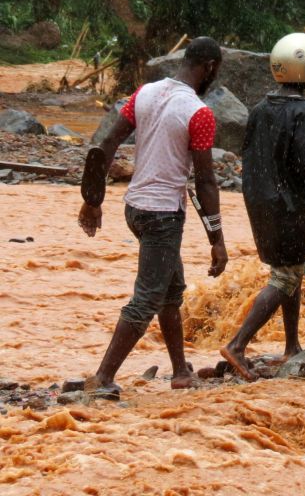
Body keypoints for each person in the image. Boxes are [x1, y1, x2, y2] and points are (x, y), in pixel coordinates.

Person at [77, 37, 227, 399]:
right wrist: (217, 239)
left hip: (135, 209)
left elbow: (106, 144)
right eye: (216, 72)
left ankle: (179, 371)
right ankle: (103, 378)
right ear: (208, 68)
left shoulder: (144, 94)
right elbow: (205, 181)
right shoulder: (198, 113)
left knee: (171, 290)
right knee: (146, 300)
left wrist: (93, 200)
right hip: (162, 216)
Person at [219, 33, 305, 380]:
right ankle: (238, 345)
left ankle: (292, 345)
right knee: (286, 274)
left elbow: (255, 157)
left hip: (261, 200)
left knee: (294, 269)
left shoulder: (260, 109)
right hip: (289, 205)